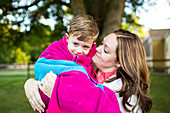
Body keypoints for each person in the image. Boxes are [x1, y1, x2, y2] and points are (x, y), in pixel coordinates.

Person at [24, 29, 152, 113]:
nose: (97, 49)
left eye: (106, 50)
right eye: (101, 43)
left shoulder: (126, 96)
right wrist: (32, 83)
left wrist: (58, 94)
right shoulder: (90, 72)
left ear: (120, 62)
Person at [33, 14, 99, 112]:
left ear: (92, 45)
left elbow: (89, 80)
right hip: (49, 101)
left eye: (85, 47)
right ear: (67, 38)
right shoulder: (56, 48)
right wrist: (78, 70)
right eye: (75, 44)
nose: (79, 50)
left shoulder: (88, 58)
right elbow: (41, 66)